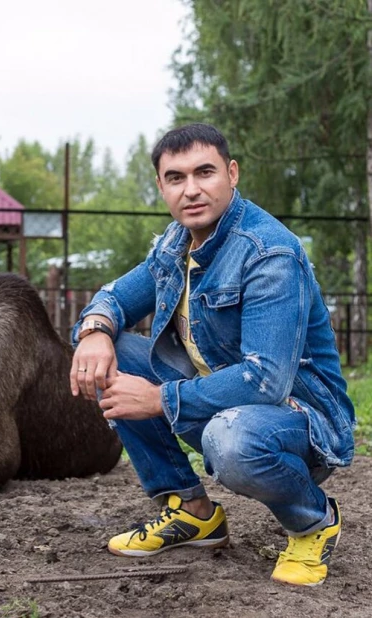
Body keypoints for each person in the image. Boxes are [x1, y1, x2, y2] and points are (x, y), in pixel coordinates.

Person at [69, 123, 355, 587]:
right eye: (176, 178)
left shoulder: (269, 253)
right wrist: (96, 332)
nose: (192, 189)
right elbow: (116, 298)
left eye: (205, 172)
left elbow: (266, 380)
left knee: (230, 439)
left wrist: (160, 399)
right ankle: (193, 512)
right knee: (112, 354)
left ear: (232, 173)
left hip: (298, 419)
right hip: (223, 403)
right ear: (161, 187)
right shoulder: (174, 244)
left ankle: (312, 522)